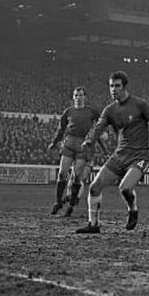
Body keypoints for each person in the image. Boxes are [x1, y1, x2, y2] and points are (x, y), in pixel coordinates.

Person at [76, 70, 149, 234]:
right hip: (119, 156)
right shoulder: (109, 110)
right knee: (95, 187)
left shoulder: (140, 105)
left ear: (124, 87)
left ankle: (133, 209)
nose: (113, 89)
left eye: (117, 86)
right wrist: (89, 140)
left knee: (124, 188)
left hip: (139, 156)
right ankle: (93, 225)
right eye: (111, 86)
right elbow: (98, 128)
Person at [47, 86, 102, 217]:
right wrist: (54, 142)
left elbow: (102, 122)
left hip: (83, 145)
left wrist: (99, 134)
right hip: (69, 143)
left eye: (81, 95)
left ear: (85, 97)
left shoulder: (91, 111)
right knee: (62, 173)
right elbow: (61, 129)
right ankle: (58, 202)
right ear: (73, 97)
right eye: (76, 95)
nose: (78, 97)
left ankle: (71, 205)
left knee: (77, 177)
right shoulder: (68, 112)